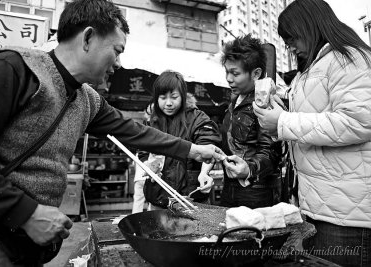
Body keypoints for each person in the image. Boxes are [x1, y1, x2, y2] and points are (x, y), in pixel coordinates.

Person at [0, 0, 225, 265]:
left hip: (27, 241)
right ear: (88, 37)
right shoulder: (12, 69)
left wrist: (194, 150)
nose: (118, 63)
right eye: (117, 50)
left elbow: (134, 131)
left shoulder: (87, 99)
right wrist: (25, 213)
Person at [253, 0, 371, 266]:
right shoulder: (312, 69)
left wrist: (282, 122)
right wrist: (278, 108)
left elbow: (359, 121)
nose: (290, 47)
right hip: (323, 206)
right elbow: (314, 119)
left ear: (311, 26)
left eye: (292, 38)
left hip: (348, 214)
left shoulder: (348, 59)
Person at [141, 71, 222, 210]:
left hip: (191, 198)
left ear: (183, 96)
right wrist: (148, 165)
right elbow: (142, 150)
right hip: (159, 198)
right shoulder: (151, 120)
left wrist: (204, 173)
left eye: (174, 97)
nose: (168, 103)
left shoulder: (197, 118)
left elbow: (208, 145)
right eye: (162, 98)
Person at [219, 34, 282, 209]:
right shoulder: (234, 102)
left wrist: (250, 168)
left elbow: (271, 152)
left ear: (256, 74)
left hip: (255, 191)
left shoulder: (266, 103)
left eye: (235, 73)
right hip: (229, 187)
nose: (229, 79)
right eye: (227, 72)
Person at [131, 103, 152, 214]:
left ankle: (135, 221)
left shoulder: (143, 131)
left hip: (140, 177)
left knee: (138, 200)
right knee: (152, 201)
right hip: (150, 175)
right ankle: (150, 222)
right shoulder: (153, 130)